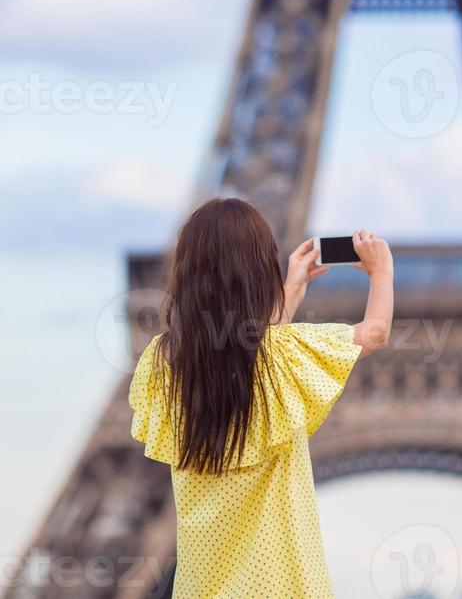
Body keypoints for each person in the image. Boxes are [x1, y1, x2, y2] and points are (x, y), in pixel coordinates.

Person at [128, 196, 394, 598]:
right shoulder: (283, 356)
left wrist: (293, 286)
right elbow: (374, 332)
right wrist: (381, 270)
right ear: (256, 271)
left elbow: (241, 351)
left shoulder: (161, 363)